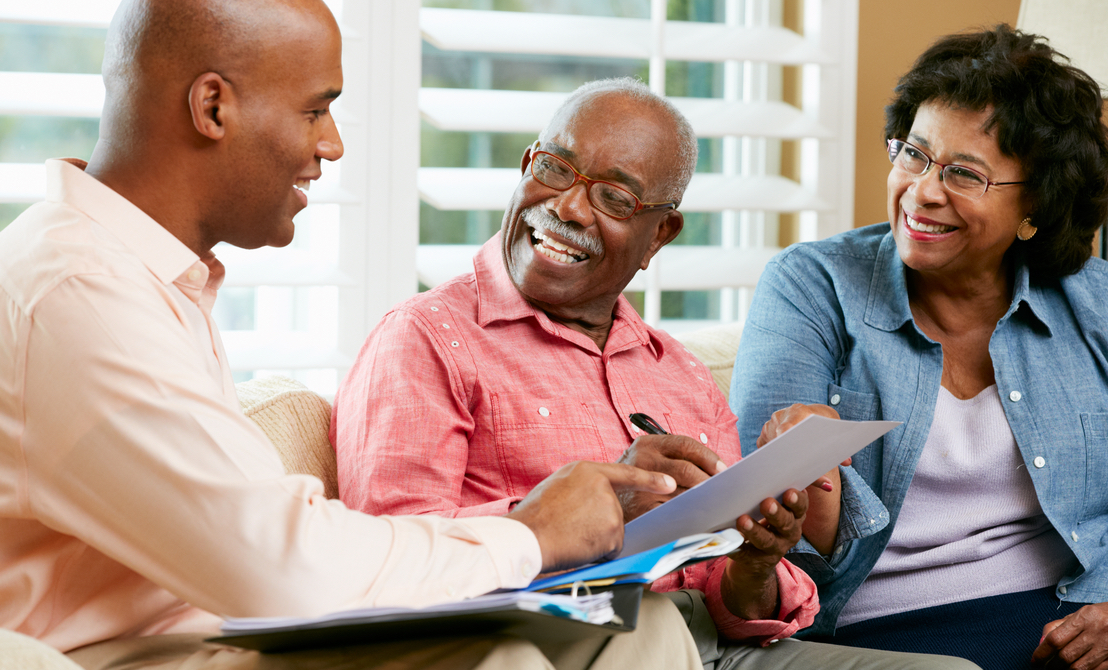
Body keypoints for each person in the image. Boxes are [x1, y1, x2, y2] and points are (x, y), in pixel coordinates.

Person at [0, 2, 707, 669]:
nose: (332, 145)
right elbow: (280, 567)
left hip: (221, 633)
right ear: (213, 107)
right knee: (505, 659)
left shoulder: (144, 277)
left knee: (642, 626)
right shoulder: (75, 291)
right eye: (316, 109)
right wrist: (530, 533)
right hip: (136, 653)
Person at [332, 78, 977, 670]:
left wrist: (755, 560)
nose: (571, 207)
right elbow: (393, 568)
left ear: (659, 234)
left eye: (613, 197)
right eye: (556, 168)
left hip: (724, 649)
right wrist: (595, 513)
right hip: (562, 643)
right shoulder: (426, 339)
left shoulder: (679, 372)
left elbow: (739, 609)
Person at [730, 24, 1108, 670]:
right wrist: (806, 492)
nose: (923, 190)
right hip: (880, 635)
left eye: (964, 173)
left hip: (1080, 620)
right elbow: (772, 558)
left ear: (1035, 212)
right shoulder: (810, 287)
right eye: (914, 153)